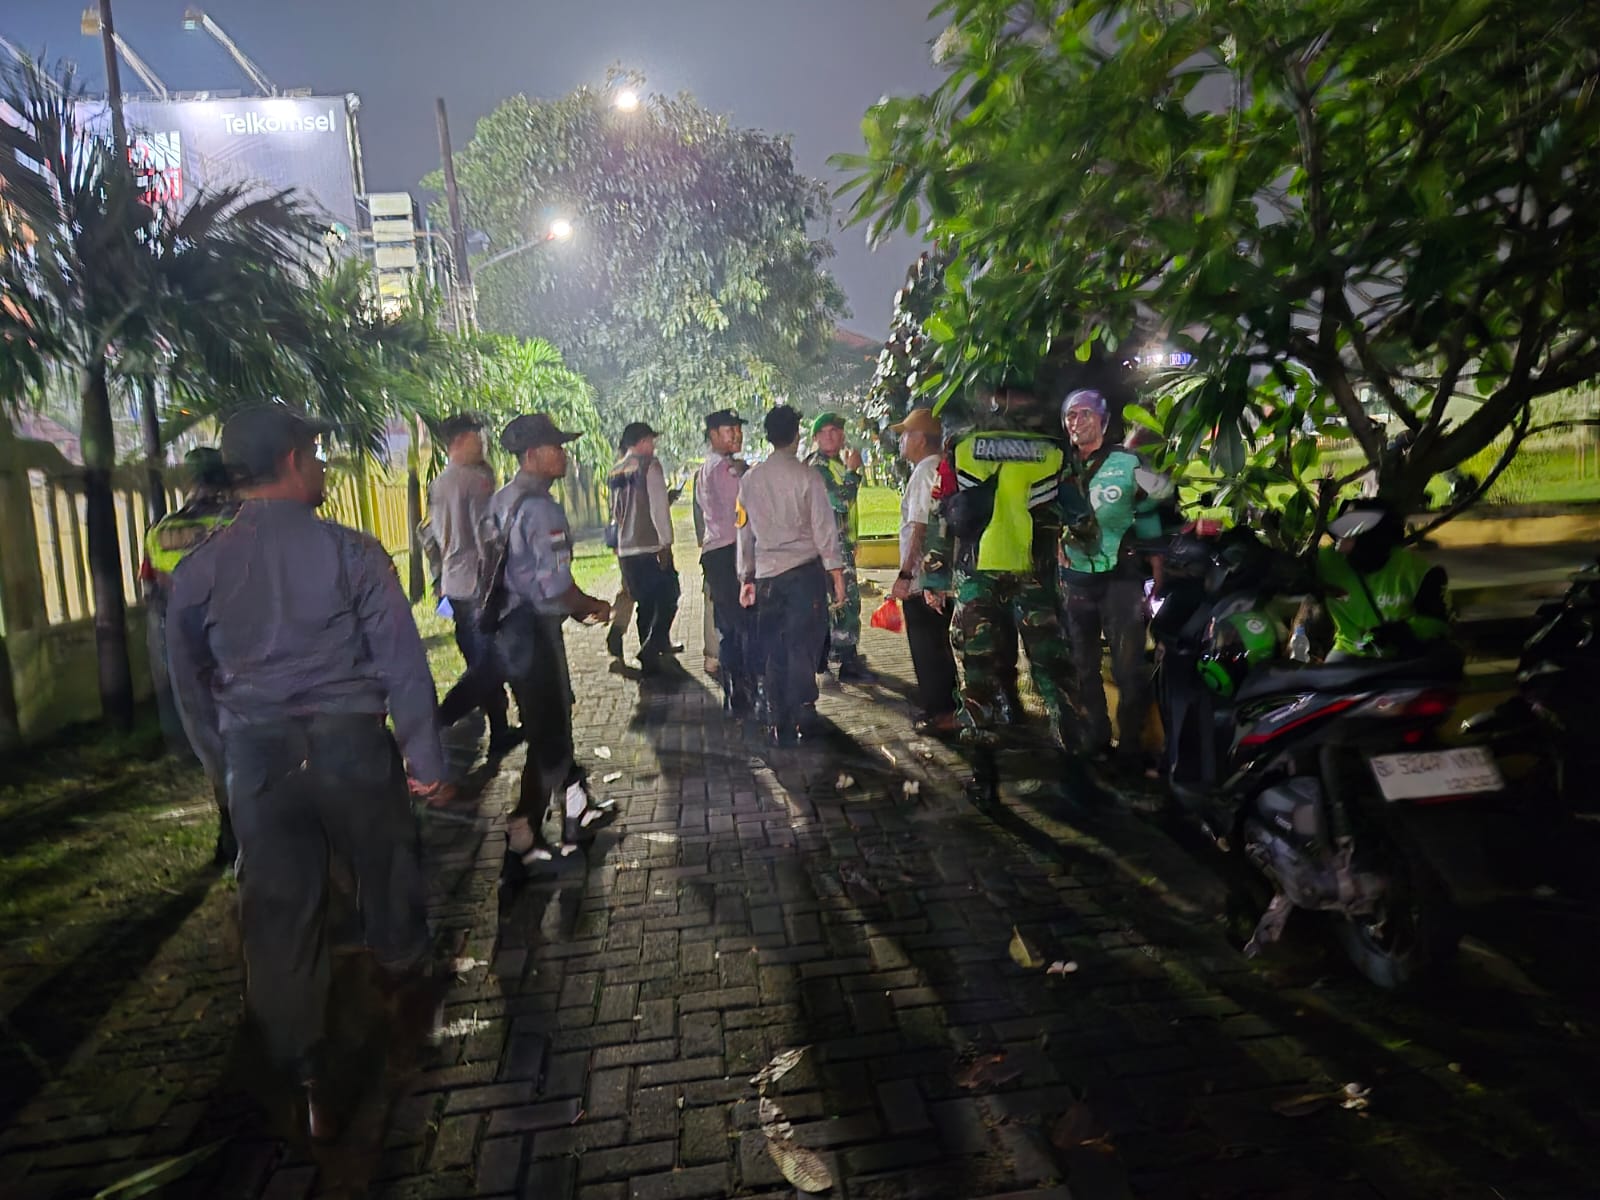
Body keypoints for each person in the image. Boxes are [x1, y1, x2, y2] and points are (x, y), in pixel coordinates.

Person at [165, 405, 449, 1140]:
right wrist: (424, 757)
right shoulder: (352, 553)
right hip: (350, 746)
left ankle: (310, 1077)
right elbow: (402, 663)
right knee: (389, 880)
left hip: (259, 759)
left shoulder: (197, 572)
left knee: (281, 917)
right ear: (292, 460)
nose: (323, 468)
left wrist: (227, 769)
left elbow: (190, 688)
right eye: (318, 455)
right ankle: (405, 1026)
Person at [929, 385, 1084, 757]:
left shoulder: (963, 447)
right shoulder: (1053, 451)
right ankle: (1074, 746)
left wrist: (934, 575)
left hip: (976, 572)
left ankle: (982, 761)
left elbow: (944, 514)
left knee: (977, 666)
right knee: (1050, 660)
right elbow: (1077, 513)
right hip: (1033, 571)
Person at [489, 413, 615, 868]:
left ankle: (576, 808)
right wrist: (591, 606)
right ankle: (523, 829)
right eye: (554, 446)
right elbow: (555, 586)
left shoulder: (501, 500)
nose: (563, 453)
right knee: (550, 733)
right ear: (531, 455)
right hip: (535, 633)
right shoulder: (542, 509)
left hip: (506, 632)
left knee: (548, 722)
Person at [1059, 388, 1170, 774]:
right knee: (1082, 665)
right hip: (1075, 579)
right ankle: (1095, 738)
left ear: (1103, 421)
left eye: (1086, 414)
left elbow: (1151, 508)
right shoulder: (1060, 464)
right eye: (1071, 416)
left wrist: (1157, 564)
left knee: (1128, 670)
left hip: (1121, 579)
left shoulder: (1128, 462)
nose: (1078, 422)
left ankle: (1130, 749)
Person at [140, 446, 239, 865]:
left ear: (191, 481)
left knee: (209, 739)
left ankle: (229, 826)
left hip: (185, 650)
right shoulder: (240, 522)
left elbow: (151, 592)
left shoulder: (161, 530)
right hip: (238, 645)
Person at [737, 406, 848, 747]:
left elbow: (744, 531)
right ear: (797, 436)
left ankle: (776, 716)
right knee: (802, 646)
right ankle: (803, 710)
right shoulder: (807, 476)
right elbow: (824, 530)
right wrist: (837, 576)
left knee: (773, 648)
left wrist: (746, 577)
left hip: (767, 577)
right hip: (803, 575)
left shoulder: (750, 480)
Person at [428, 414, 521, 758]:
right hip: (478, 586)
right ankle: (438, 720)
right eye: (477, 437)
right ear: (460, 440)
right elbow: (488, 538)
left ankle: (500, 732)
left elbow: (436, 538)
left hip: (454, 584)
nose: (483, 443)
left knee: (482, 664)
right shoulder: (475, 481)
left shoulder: (440, 482)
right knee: (489, 667)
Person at [887, 408, 959, 737]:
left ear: (919, 439)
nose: (901, 441)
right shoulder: (942, 467)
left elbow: (919, 527)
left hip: (924, 578)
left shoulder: (924, 472)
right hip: (942, 575)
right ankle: (948, 708)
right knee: (940, 645)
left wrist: (905, 575)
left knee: (928, 648)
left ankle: (941, 713)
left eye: (905, 434)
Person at [1312, 500, 1452, 660]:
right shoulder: (1326, 562)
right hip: (1349, 651)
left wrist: (1400, 633)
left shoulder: (1418, 572)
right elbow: (1293, 576)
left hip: (1404, 655)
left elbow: (1436, 624)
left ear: (1371, 538)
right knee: (1327, 680)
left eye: (1349, 534)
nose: (1339, 543)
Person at [806, 412, 874, 683]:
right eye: (825, 432)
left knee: (839, 600)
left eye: (836, 430)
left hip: (840, 542)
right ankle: (846, 658)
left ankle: (840, 652)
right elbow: (840, 503)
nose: (832, 435)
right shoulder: (819, 466)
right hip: (829, 546)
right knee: (844, 600)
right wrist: (853, 471)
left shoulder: (833, 463)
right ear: (815, 438)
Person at [608, 422, 681, 673]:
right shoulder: (650, 465)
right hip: (649, 545)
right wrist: (666, 544)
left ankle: (649, 650)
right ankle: (651, 647)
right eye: (650, 440)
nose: (653, 445)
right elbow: (659, 508)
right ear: (639, 441)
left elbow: (615, 512)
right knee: (670, 594)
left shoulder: (616, 471)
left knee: (645, 603)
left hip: (627, 547)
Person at [696, 409, 756, 714]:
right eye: (728, 430)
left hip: (717, 552)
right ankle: (742, 695)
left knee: (730, 626)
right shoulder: (724, 470)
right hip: (729, 552)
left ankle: (737, 694)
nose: (736, 434)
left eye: (737, 428)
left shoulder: (712, 467)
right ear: (713, 435)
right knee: (738, 627)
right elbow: (745, 510)